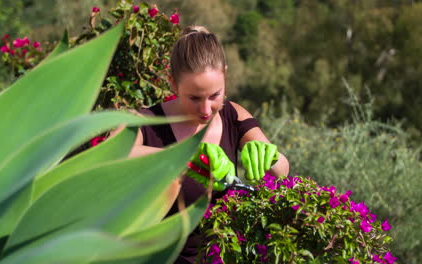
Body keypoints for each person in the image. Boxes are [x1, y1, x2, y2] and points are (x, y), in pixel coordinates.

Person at [111, 25, 289, 263]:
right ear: (173, 83)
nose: (206, 110)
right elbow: (112, 154)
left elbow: (282, 171)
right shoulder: (145, 122)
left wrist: (269, 155)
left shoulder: (233, 114)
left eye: (215, 95)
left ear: (225, 75)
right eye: (194, 98)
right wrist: (185, 156)